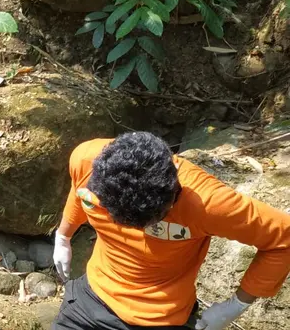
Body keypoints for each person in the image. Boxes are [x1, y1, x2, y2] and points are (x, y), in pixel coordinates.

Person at [51, 132, 290, 330]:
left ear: (174, 193)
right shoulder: (86, 160)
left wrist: (235, 306)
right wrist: (63, 236)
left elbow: (283, 238)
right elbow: (79, 191)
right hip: (90, 299)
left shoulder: (208, 204)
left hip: (160, 319)